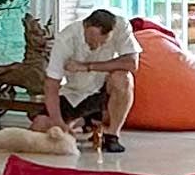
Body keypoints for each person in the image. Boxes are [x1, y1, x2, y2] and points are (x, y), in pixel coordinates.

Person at [47, 8, 138, 152]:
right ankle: (86, 120)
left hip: (103, 88)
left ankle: (112, 135)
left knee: (123, 78)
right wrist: (58, 122)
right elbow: (51, 84)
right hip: (76, 92)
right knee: (40, 125)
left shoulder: (122, 26)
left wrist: (87, 66)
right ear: (85, 26)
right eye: (92, 40)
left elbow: (132, 63)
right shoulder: (65, 39)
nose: (96, 46)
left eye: (103, 43)